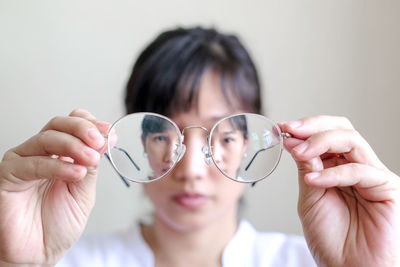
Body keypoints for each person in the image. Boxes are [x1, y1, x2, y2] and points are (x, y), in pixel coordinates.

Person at [0, 26, 399, 267]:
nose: (190, 170)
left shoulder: (314, 263)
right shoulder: (64, 262)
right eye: (162, 135)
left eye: (222, 136)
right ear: (138, 146)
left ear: (250, 146)